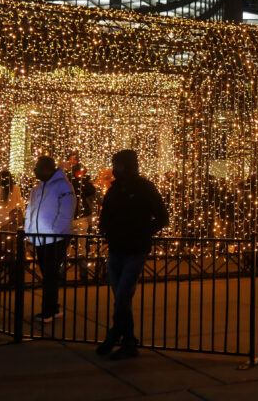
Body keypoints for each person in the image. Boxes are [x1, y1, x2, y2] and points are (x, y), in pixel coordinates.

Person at [96, 150, 167, 360]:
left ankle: (116, 336)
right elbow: (106, 214)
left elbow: (162, 216)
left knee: (121, 297)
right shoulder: (115, 189)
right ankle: (128, 341)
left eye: (118, 165)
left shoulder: (144, 187)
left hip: (135, 250)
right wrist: (105, 230)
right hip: (117, 248)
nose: (115, 168)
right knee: (121, 298)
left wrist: (144, 232)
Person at [24, 156, 76, 322]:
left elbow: (66, 212)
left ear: (46, 168)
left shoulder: (62, 186)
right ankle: (53, 308)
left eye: (37, 167)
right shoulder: (39, 187)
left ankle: (49, 310)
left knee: (50, 274)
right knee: (48, 274)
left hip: (55, 237)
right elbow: (31, 211)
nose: (35, 171)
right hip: (41, 237)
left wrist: (54, 232)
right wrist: (29, 231)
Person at [64, 152, 97, 234]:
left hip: (80, 209)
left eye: (74, 159)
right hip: (69, 210)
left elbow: (90, 191)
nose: (72, 161)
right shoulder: (65, 174)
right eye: (70, 159)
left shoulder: (81, 174)